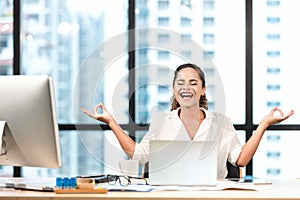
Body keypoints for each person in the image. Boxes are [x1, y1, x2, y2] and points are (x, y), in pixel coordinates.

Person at [81, 63, 294, 179]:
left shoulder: (221, 122)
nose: (186, 87)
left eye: (193, 83)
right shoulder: (162, 121)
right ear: (174, 90)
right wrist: (111, 123)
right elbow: (138, 155)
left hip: (213, 196)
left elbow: (240, 160)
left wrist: (263, 125)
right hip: (168, 195)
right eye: (180, 83)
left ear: (202, 90)